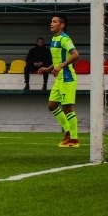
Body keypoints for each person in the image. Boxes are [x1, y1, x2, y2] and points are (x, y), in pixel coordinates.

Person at [38, 15, 79, 147]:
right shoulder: (54, 39)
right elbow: (59, 60)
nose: (51, 23)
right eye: (51, 21)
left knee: (67, 107)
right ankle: (67, 131)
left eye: (54, 22)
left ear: (62, 25)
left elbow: (75, 55)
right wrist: (48, 68)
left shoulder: (65, 39)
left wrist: (60, 67)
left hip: (67, 77)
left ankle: (74, 139)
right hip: (59, 78)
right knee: (52, 105)